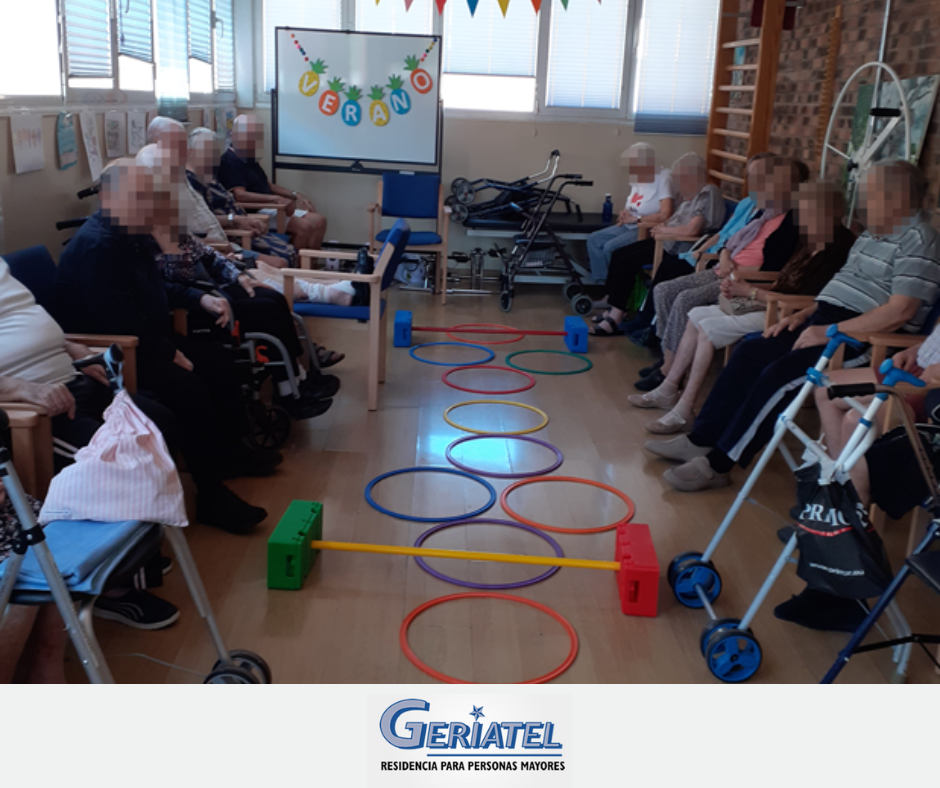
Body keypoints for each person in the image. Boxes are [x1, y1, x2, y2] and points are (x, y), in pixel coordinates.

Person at [646, 160, 940, 492]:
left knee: (779, 376)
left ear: (897, 196)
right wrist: (803, 315)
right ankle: (702, 438)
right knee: (748, 353)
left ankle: (718, 464)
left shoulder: (919, 239)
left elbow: (900, 311)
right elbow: (841, 288)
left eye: (871, 193)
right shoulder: (873, 234)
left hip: (858, 339)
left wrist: (830, 330)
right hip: (822, 321)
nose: (863, 200)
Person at [51, 161, 276, 533]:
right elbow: (117, 320)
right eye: (139, 197)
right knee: (190, 387)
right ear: (109, 198)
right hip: (114, 352)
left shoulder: (130, 234)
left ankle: (231, 452)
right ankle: (211, 495)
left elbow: (156, 288)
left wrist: (197, 298)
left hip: (145, 338)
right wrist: (170, 351)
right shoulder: (97, 246)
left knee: (219, 360)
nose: (150, 206)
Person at [0, 258, 182, 629]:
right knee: (124, 461)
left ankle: (133, 553)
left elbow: (23, 319)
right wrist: (17, 387)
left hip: (71, 378)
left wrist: (70, 346)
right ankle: (115, 590)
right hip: (35, 409)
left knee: (158, 425)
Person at [630, 179, 855, 433]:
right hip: (769, 301)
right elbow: (785, 282)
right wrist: (743, 289)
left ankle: (684, 408)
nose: (800, 216)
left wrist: (751, 292)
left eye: (805, 209)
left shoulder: (839, 247)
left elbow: (812, 300)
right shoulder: (811, 240)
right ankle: (669, 388)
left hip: (785, 313)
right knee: (695, 315)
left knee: (708, 328)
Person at [140, 161, 338, 419]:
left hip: (216, 288)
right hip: (198, 306)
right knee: (267, 310)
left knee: (274, 299)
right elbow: (179, 280)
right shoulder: (146, 237)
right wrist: (170, 247)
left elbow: (209, 255)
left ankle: (300, 379)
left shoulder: (169, 222)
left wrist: (239, 276)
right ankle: (289, 393)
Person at [630, 154, 806, 380]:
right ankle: (668, 356)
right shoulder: (764, 213)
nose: (758, 185)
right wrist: (724, 256)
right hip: (725, 267)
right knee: (663, 290)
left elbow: (774, 267)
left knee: (685, 298)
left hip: (740, 279)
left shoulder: (790, 221)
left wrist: (735, 272)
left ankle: (671, 370)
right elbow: (730, 240)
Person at [590, 153, 726, 337]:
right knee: (619, 255)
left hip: (678, 247)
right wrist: (662, 228)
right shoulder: (692, 194)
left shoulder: (707, 192)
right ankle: (614, 309)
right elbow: (678, 220)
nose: (678, 184)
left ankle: (616, 317)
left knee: (626, 262)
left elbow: (693, 229)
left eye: (680, 178)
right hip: (667, 241)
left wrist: (665, 231)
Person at [186, 126, 298, 269]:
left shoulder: (209, 175)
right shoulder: (191, 181)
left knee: (290, 250)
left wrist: (247, 220)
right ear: (191, 153)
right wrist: (237, 220)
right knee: (282, 258)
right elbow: (205, 221)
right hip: (231, 235)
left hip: (242, 226)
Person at [218, 114, 327, 251]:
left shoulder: (248, 157)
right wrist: (276, 199)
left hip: (271, 206)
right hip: (256, 211)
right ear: (234, 135)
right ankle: (296, 264)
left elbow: (268, 185)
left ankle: (310, 263)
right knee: (304, 227)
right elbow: (240, 195)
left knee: (320, 221)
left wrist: (295, 195)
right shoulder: (229, 160)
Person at [585, 143, 675, 290]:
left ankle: (613, 291)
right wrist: (625, 212)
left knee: (610, 248)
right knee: (594, 239)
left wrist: (638, 219)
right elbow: (632, 203)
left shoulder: (664, 177)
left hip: (644, 228)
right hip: (629, 224)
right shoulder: (638, 177)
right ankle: (603, 285)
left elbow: (666, 215)